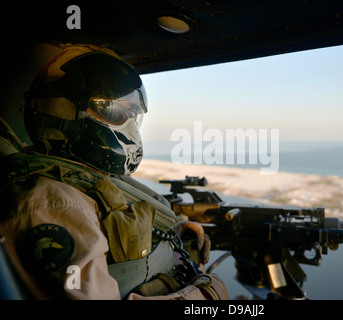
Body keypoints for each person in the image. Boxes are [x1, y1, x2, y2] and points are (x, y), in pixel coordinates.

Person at [0, 45, 228, 300]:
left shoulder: (84, 180)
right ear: (62, 111)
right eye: (115, 111)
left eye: (132, 114)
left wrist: (171, 237)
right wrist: (205, 296)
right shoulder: (54, 203)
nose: (130, 124)